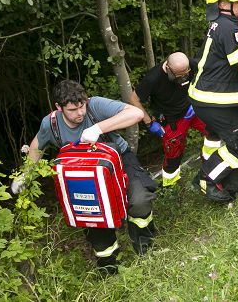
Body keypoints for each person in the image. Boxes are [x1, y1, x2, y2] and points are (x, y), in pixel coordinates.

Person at [11, 80, 155, 272]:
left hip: (118, 160)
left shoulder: (95, 106)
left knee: (139, 199)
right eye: (72, 110)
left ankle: (145, 249)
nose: (80, 113)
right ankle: (109, 267)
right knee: (91, 216)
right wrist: (25, 174)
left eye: (82, 106)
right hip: (83, 173)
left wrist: (98, 128)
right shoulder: (51, 124)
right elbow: (37, 145)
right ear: (59, 107)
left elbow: (136, 113)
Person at [188, 0, 238, 202]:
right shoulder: (229, 28)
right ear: (223, 4)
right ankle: (207, 179)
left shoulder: (220, 23)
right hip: (214, 100)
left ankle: (229, 180)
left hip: (208, 97)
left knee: (231, 139)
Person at [127, 52, 207, 188]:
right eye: (179, 76)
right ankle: (171, 185)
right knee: (173, 154)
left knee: (213, 131)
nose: (183, 78)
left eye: (185, 74)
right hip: (171, 119)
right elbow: (133, 99)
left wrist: (197, 99)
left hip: (192, 109)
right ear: (168, 69)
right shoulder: (153, 78)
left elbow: (204, 77)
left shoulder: (191, 65)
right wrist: (149, 122)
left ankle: (209, 169)